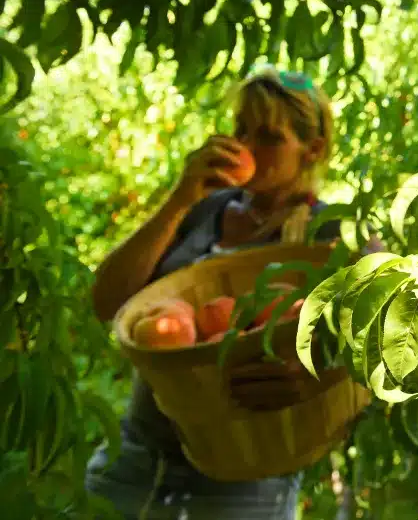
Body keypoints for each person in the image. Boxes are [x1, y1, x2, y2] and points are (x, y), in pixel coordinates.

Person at [86, 67, 346, 520]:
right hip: (137, 456)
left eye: (267, 136)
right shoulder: (205, 209)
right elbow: (107, 303)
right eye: (239, 129)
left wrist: (322, 372)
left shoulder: (329, 231)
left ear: (313, 150)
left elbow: (385, 335)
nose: (245, 144)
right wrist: (180, 197)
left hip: (244, 482)